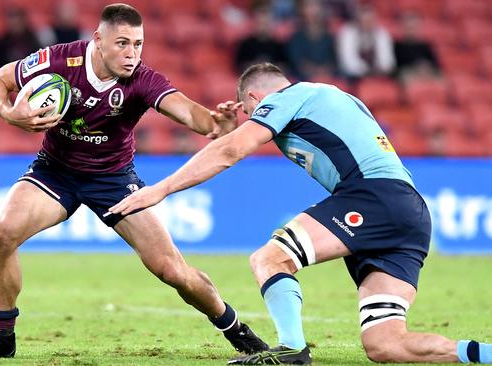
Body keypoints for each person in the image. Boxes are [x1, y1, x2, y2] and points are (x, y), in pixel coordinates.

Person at [108, 62, 492, 365]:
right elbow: (232, 141)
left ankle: (291, 349)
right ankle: (485, 354)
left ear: (257, 97)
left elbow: (232, 151)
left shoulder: (291, 96)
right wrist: (225, 128)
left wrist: (160, 189)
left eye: (248, 111)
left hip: (373, 196)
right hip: (408, 212)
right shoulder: (332, 97)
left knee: (270, 258)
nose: (253, 119)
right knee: (384, 344)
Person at [0, 3, 268, 359]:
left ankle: (236, 328)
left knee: (171, 270)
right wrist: (9, 112)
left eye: (138, 44)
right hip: (56, 172)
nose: (132, 54)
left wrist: (215, 125)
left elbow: (191, 113)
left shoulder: (143, 79)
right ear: (98, 39)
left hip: (113, 179)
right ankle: (2, 337)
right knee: (3, 234)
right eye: (122, 44)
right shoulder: (59, 60)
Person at [336, 3, 395, 79]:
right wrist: (366, 70)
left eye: (370, 21)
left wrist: (380, 68)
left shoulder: (381, 33)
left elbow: (387, 59)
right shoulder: (348, 33)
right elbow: (348, 61)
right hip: (353, 75)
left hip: (378, 74)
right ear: (357, 20)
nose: (367, 24)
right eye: (364, 21)